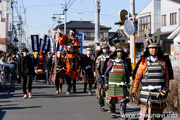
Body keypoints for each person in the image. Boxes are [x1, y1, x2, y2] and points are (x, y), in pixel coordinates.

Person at [131, 29, 173, 120]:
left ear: (158, 49)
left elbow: (167, 78)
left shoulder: (163, 62)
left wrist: (166, 89)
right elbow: (137, 78)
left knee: (157, 117)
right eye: (151, 48)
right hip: (146, 94)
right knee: (146, 117)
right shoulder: (143, 62)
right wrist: (133, 92)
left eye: (155, 48)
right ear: (148, 49)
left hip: (159, 94)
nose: (153, 50)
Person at [104, 43, 132, 119]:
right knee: (112, 100)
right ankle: (113, 112)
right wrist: (106, 83)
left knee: (123, 100)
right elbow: (106, 73)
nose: (119, 53)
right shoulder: (111, 62)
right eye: (118, 52)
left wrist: (128, 82)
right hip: (112, 85)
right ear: (116, 53)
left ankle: (123, 115)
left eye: (121, 52)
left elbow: (127, 74)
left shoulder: (125, 63)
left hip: (122, 85)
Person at [95, 43, 111, 111]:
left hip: (108, 77)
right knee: (100, 94)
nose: (105, 49)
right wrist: (98, 76)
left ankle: (110, 107)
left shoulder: (110, 57)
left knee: (108, 93)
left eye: (106, 48)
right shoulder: (99, 58)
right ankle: (102, 106)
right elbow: (96, 68)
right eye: (104, 48)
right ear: (102, 49)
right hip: (100, 76)